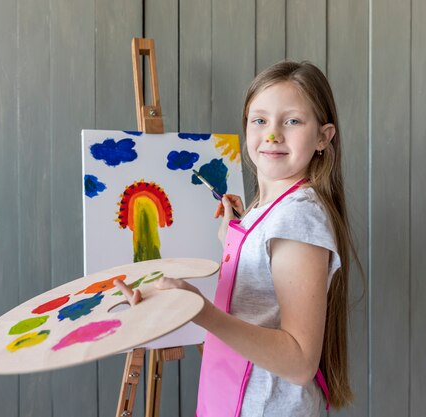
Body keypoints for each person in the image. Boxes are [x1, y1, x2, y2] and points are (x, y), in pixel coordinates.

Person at [115, 60, 361, 416]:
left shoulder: (297, 217)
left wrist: (200, 311)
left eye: (292, 121)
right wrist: (240, 232)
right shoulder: (270, 210)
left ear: (323, 137)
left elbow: (299, 362)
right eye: (260, 120)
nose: (273, 134)